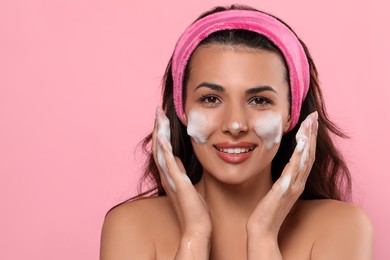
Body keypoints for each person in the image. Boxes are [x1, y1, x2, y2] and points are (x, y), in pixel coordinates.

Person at [100, 4, 373, 259]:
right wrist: (195, 235)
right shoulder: (130, 227)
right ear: (182, 110)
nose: (234, 125)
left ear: (291, 114)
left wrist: (263, 239)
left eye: (259, 100)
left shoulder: (342, 227)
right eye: (210, 99)